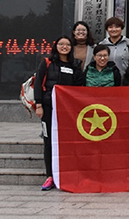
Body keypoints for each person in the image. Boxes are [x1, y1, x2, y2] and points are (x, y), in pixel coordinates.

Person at [33, 36, 83, 191]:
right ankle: (50, 176)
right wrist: (39, 105)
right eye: (61, 44)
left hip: (67, 110)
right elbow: (38, 83)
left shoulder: (75, 65)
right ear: (56, 46)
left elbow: (79, 87)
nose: (64, 47)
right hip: (48, 108)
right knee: (49, 141)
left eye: (67, 45)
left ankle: (67, 174)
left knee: (67, 141)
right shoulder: (47, 63)